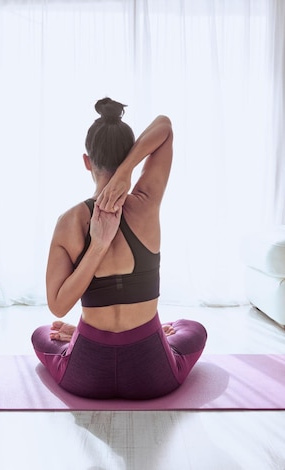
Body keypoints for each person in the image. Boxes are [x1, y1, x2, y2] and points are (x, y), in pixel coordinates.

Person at [32, 98, 207, 399]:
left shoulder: (69, 222)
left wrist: (97, 246)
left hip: (86, 375)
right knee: (193, 329)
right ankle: (154, 337)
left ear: (87, 161)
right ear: (130, 155)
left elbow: (58, 305)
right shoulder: (145, 202)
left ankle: (79, 335)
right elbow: (164, 125)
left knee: (41, 335)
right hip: (151, 375)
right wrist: (129, 170)